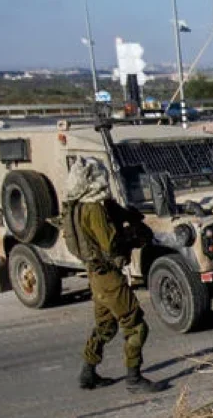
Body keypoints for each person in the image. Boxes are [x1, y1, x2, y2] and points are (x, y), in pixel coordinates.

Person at [63, 158, 163, 394]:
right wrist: (135, 236)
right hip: (108, 276)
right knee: (135, 324)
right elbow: (112, 245)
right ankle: (134, 379)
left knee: (105, 325)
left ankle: (88, 373)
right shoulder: (94, 209)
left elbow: (113, 213)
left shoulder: (80, 204)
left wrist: (127, 216)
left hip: (96, 275)